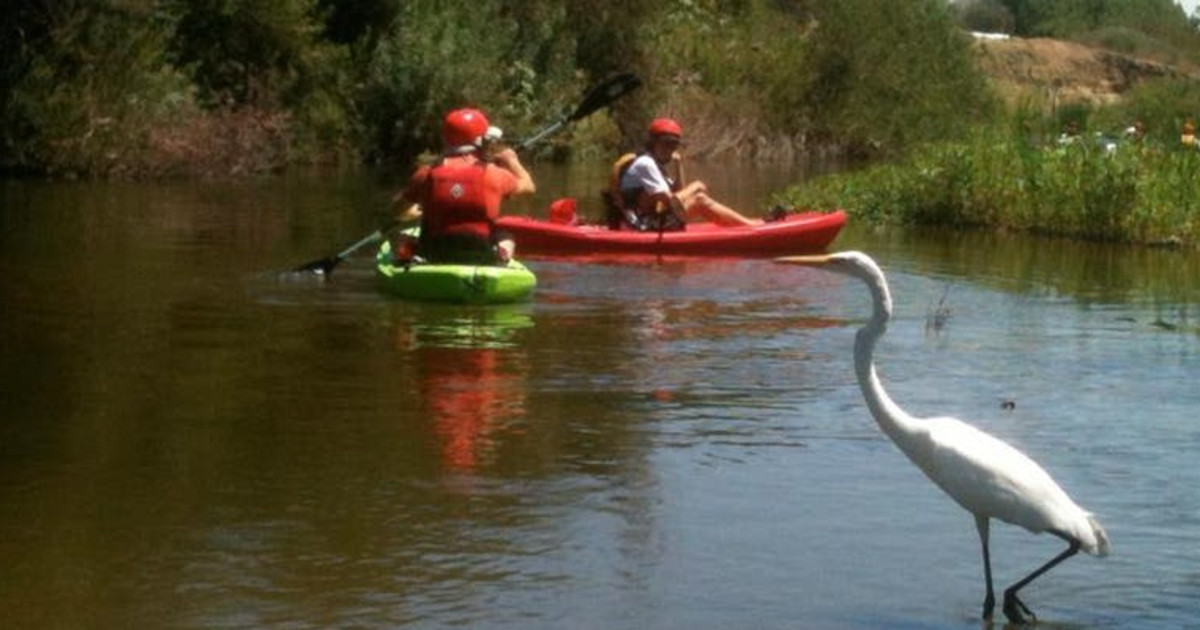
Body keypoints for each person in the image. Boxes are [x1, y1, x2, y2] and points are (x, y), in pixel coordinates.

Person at [392, 107, 535, 264]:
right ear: (482, 141)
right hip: (480, 256)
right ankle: (501, 260)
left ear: (446, 140)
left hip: (432, 254)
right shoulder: (494, 174)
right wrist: (512, 161)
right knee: (506, 236)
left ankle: (406, 258)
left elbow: (396, 210)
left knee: (404, 236)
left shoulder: (426, 173)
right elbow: (528, 187)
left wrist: (408, 213)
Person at [607, 117, 766, 231]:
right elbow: (672, 202)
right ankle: (750, 226)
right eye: (666, 143)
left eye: (674, 145)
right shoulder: (646, 164)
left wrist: (679, 165)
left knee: (698, 198)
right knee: (699, 199)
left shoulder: (654, 165)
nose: (670, 149)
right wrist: (695, 186)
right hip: (639, 225)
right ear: (653, 142)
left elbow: (677, 196)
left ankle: (744, 224)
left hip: (649, 220)